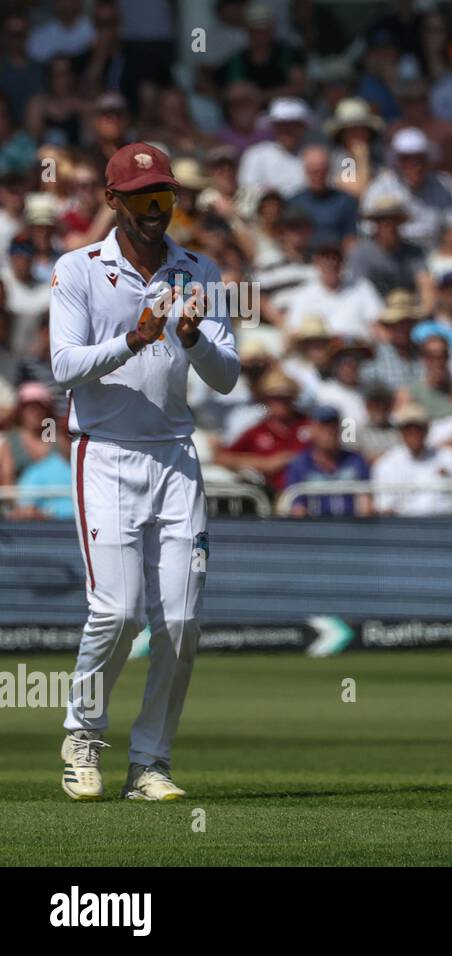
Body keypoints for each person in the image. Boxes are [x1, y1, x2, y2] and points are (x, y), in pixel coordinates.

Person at [50, 142, 239, 802]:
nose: (156, 210)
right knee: (118, 611)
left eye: (164, 197)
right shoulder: (78, 269)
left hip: (175, 458)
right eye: (142, 199)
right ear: (112, 201)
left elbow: (226, 377)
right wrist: (133, 337)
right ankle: (82, 734)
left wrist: (190, 339)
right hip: (102, 453)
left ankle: (150, 763)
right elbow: (63, 366)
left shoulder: (200, 270)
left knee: (182, 622)